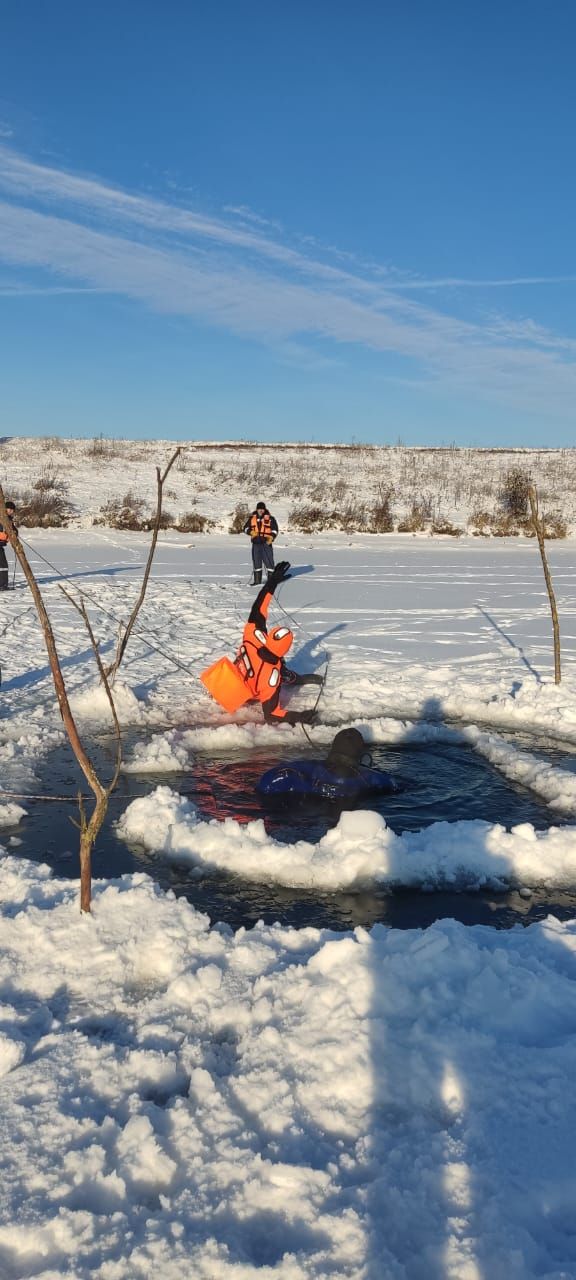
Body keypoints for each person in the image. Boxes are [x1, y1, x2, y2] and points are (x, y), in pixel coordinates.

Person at [236, 560, 322, 724]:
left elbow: (259, 606)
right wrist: (300, 717)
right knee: (275, 673)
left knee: (274, 666)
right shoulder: (271, 676)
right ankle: (290, 678)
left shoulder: (253, 637)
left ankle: (292, 677)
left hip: (235, 676)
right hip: (246, 693)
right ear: (284, 651)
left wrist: (272, 582)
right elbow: (272, 715)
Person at [257, 727, 399, 800]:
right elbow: (395, 786)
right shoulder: (374, 779)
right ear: (360, 755)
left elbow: (269, 780)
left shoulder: (310, 769)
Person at [243, 501, 279, 585]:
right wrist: (250, 532)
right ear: (257, 509)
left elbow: (275, 530)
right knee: (256, 562)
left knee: (269, 562)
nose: (261, 510)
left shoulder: (270, 518)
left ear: (264, 509)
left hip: (266, 544)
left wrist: (271, 537)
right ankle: (257, 581)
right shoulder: (252, 518)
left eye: (262, 509)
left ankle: (271, 582)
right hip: (256, 544)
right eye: (259, 509)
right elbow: (245, 528)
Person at [0, 501, 16, 592]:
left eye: (12, 510)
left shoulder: (9, 519)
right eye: (9, 509)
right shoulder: (2, 518)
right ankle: (2, 585)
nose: (11, 511)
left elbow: (14, 530)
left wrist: (15, 533)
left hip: (1, 544)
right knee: (3, 565)